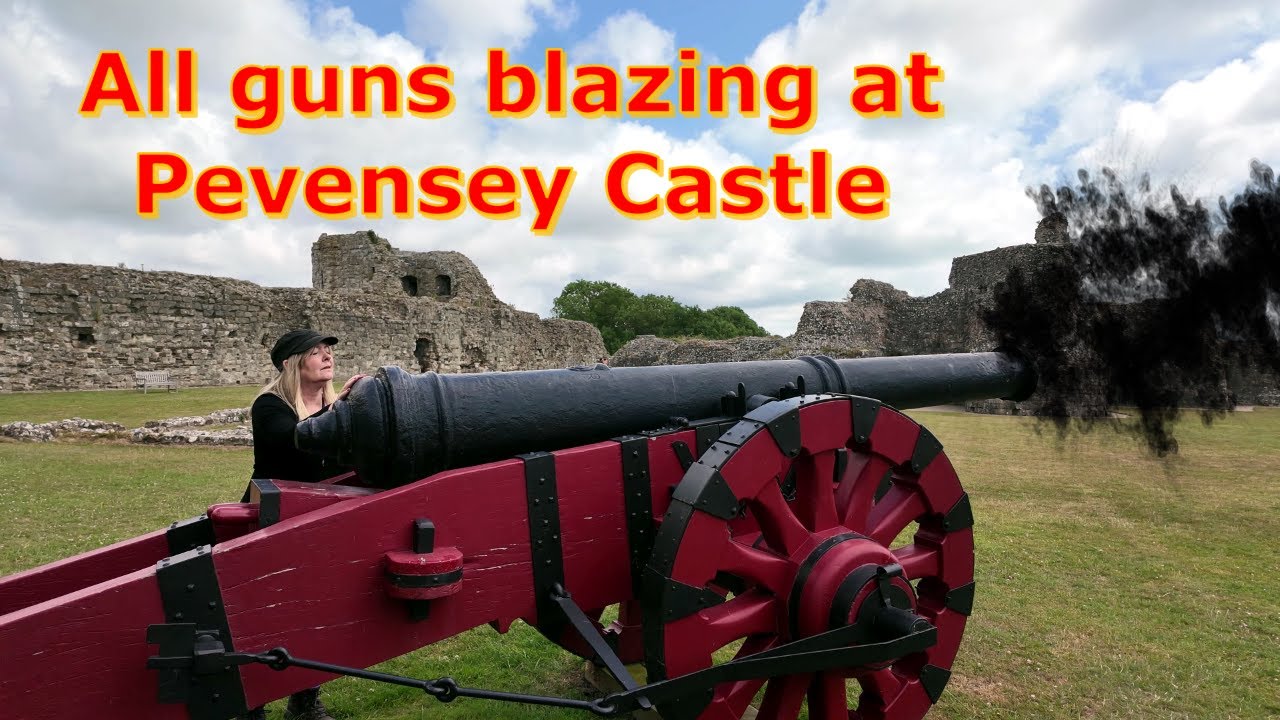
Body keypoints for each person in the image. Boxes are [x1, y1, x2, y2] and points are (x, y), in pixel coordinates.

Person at [238, 329, 365, 720]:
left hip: (319, 512)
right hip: (273, 513)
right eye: (315, 352)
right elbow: (297, 442)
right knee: (259, 610)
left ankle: (305, 698)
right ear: (291, 363)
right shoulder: (270, 405)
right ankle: (251, 702)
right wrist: (342, 407)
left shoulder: (333, 405)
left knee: (312, 609)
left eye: (328, 350)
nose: (327, 357)